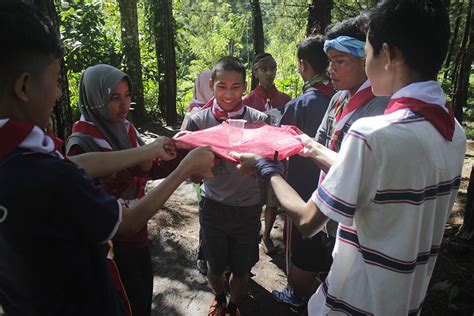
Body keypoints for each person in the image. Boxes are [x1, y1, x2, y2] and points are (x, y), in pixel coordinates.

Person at [232, 0, 466, 314]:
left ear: (389, 54)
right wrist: (308, 145)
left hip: (354, 302)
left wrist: (266, 167)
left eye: (366, 54)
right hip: (406, 302)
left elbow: (307, 221)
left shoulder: (372, 134)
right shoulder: (453, 130)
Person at [0, 3, 215, 315]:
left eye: (127, 96)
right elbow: (124, 221)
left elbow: (75, 167)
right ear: (23, 86)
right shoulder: (60, 159)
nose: (58, 94)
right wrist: (185, 169)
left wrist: (150, 152)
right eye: (57, 80)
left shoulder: (24, 158)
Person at [65, 64, 181, 316]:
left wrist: (179, 152)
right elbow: (92, 199)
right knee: (125, 301)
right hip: (110, 243)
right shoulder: (81, 144)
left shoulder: (125, 129)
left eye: (127, 95)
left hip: (138, 230)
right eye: (114, 98)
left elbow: (148, 169)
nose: (124, 105)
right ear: (95, 99)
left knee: (142, 293)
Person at [184, 56, 268, 316]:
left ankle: (233, 306)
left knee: (242, 269)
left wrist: (258, 164)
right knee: (215, 266)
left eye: (236, 86)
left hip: (248, 206)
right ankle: (219, 298)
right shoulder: (198, 121)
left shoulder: (259, 119)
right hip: (213, 205)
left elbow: (272, 163)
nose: (229, 94)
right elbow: (190, 173)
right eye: (222, 86)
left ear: (245, 85)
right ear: (211, 85)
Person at [271, 35, 334, 310]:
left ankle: (295, 294)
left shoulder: (299, 105)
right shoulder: (342, 100)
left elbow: (277, 146)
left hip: (300, 192)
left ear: (303, 65)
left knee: (297, 244)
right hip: (334, 191)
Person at [243, 52, 291, 254]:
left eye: (273, 68)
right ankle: (251, 235)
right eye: (264, 69)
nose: (269, 73)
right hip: (253, 159)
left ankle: (266, 235)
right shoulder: (247, 100)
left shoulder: (286, 99)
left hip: (276, 158)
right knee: (253, 200)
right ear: (255, 72)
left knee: (272, 201)